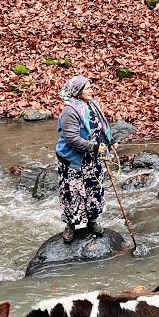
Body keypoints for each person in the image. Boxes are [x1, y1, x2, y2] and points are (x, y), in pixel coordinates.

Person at [55, 75, 114, 243]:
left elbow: (101, 128)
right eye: (87, 88)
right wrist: (94, 147)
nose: (91, 91)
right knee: (72, 193)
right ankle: (70, 225)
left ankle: (92, 221)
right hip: (73, 161)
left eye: (90, 87)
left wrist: (110, 143)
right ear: (77, 92)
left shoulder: (93, 105)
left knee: (94, 189)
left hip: (92, 159)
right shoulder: (69, 112)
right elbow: (72, 139)